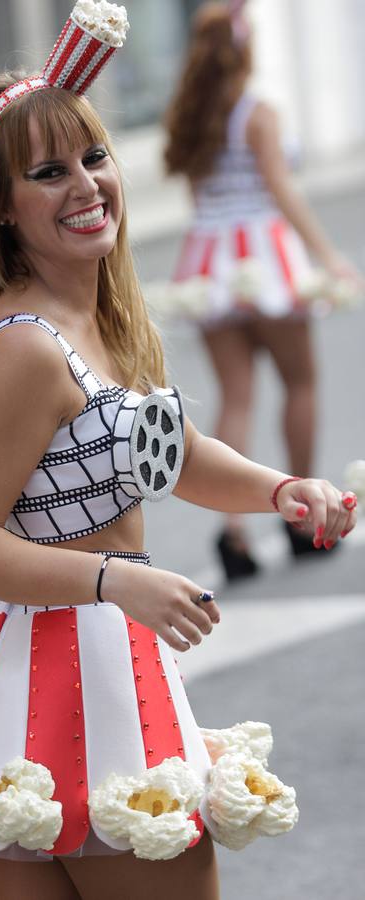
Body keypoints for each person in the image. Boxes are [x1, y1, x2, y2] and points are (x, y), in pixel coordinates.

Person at [0, 3, 358, 898]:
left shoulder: (96, 317)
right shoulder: (26, 344)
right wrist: (118, 580)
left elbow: (169, 451)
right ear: (1, 212)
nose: (87, 185)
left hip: (92, 658)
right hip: (54, 670)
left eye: (94, 158)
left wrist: (281, 490)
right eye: (47, 172)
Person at [163, 1, 363, 580]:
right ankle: (301, 520)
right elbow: (282, 190)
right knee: (299, 380)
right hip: (264, 256)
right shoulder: (258, 111)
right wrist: (328, 257)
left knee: (236, 396)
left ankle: (233, 536)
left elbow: (199, 199)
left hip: (209, 259)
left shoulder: (190, 115)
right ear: (246, 49)